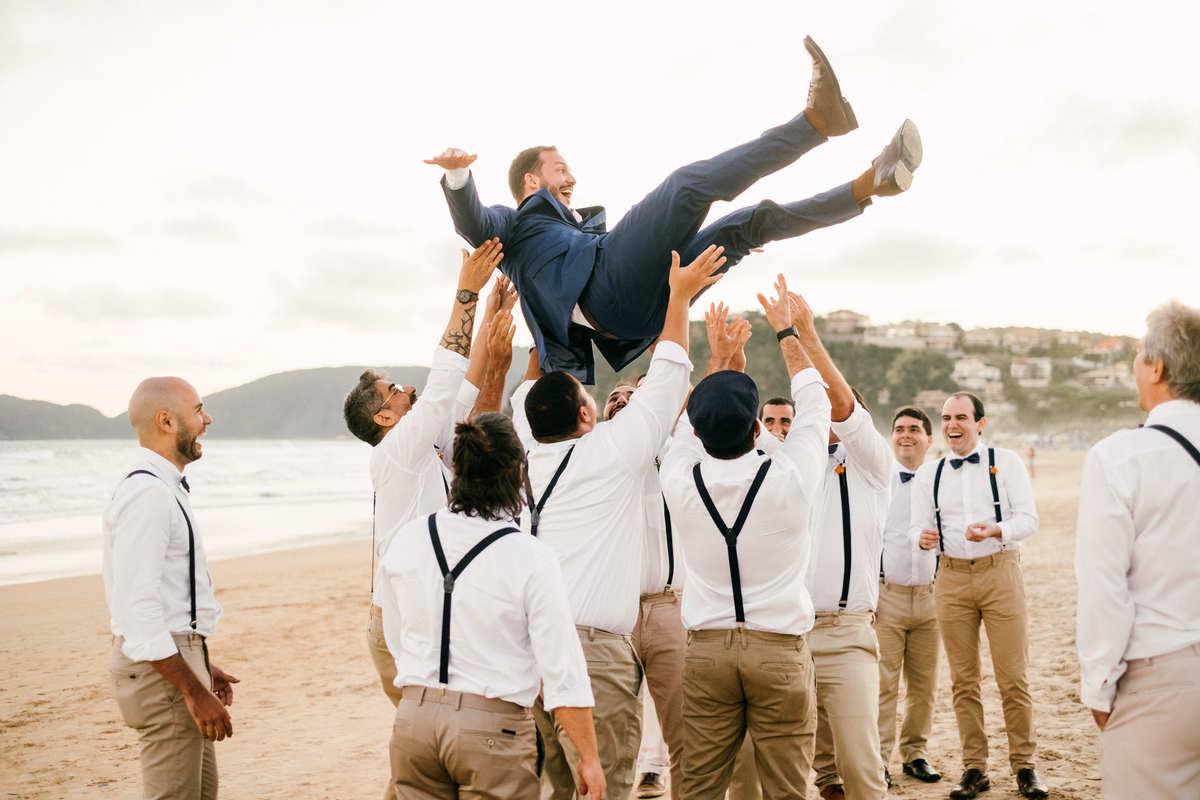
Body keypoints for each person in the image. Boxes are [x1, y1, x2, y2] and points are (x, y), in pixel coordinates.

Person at [427, 38, 921, 382]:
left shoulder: (579, 225)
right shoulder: (514, 225)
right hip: (610, 292)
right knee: (686, 187)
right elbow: (473, 223)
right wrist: (457, 177)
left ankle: (867, 185)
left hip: (649, 310)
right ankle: (815, 122)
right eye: (560, 169)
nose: (572, 177)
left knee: (749, 224)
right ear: (531, 181)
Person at [510, 245, 725, 800]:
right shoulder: (607, 453)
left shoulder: (525, 459)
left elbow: (523, 399)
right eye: (589, 395)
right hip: (591, 653)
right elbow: (668, 377)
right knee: (602, 783)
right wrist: (677, 298)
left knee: (558, 787)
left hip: (528, 650)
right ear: (586, 413)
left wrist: (543, 322)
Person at [658, 276, 830, 800]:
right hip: (778, 647)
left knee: (702, 785)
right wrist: (787, 331)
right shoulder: (791, 475)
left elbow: (687, 425)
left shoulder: (678, 475)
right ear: (759, 428)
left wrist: (721, 361)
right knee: (786, 786)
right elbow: (815, 399)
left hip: (707, 651)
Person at [376, 412, 605, 800]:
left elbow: (396, 637)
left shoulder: (408, 538)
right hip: (492, 729)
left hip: (413, 721)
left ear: (455, 467)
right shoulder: (531, 556)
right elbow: (562, 671)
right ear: (519, 472)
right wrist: (589, 757)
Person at [341, 242, 510, 713]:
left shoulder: (417, 449)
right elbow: (439, 385)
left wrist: (490, 313)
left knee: (437, 731)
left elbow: (460, 390)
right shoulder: (397, 453)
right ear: (384, 420)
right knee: (427, 736)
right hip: (401, 615)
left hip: (419, 607)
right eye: (394, 392)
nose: (407, 389)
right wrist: (466, 293)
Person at [1075, 301, 1200, 800]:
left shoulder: (1120, 456)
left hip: (1163, 679)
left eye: (1138, 353)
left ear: (1157, 367)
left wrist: (1098, 688)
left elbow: (1105, 590)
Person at [104, 376, 238, 800]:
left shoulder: (163, 487)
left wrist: (201, 662)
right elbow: (137, 610)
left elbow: (166, 600)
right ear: (166, 421)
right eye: (198, 410)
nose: (207, 419)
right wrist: (193, 689)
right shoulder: (148, 494)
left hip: (176, 659)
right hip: (162, 676)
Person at [910, 393, 1048, 799]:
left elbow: (1028, 518)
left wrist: (996, 530)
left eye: (962, 418)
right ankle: (975, 768)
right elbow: (916, 527)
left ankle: (1025, 766)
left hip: (1000, 571)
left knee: (1013, 677)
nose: (953, 425)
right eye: (947, 418)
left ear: (980, 423)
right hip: (950, 578)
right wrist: (920, 538)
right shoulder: (928, 473)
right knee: (963, 681)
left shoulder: (1005, 462)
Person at [876, 407, 942, 785]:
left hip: (934, 598)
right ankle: (879, 760)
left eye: (915, 429)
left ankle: (915, 753)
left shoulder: (942, 482)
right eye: (899, 429)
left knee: (924, 685)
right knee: (883, 686)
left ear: (928, 440)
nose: (906, 435)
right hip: (889, 597)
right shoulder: (878, 480)